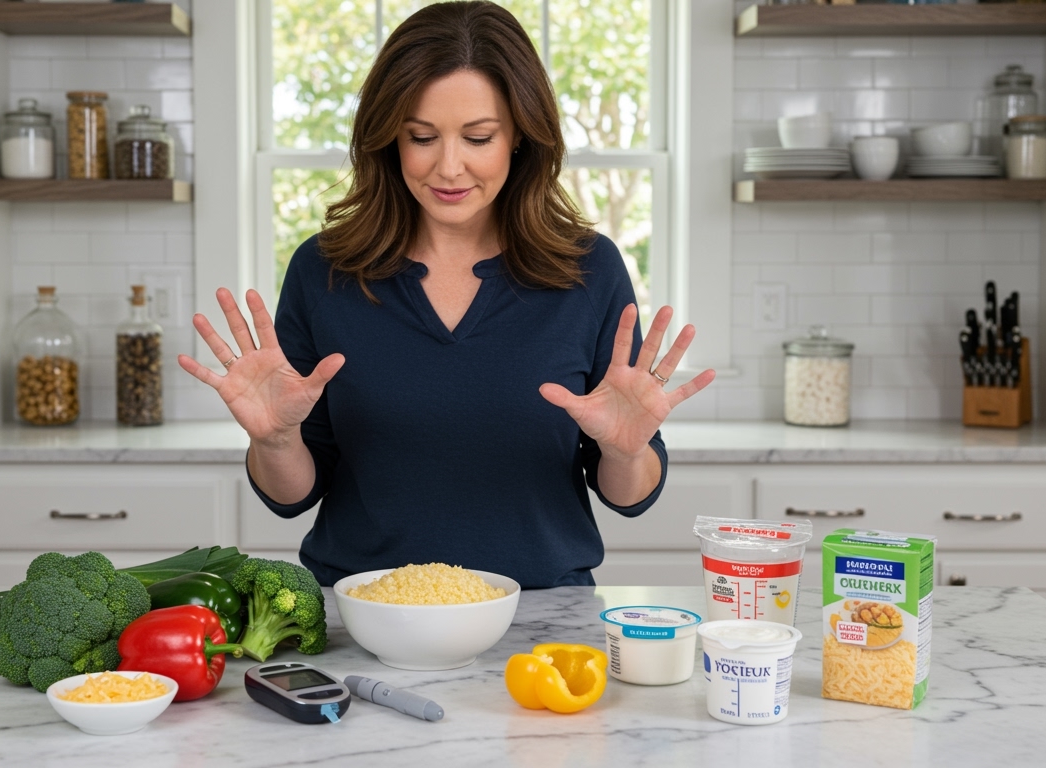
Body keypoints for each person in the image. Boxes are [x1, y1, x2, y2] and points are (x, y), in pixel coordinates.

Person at [179, 1, 714, 588]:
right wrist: (276, 440)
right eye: (422, 137)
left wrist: (626, 450)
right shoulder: (324, 269)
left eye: (478, 137)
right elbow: (293, 496)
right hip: (363, 617)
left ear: (519, 138)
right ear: (389, 140)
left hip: (538, 623)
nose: (449, 167)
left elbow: (628, 497)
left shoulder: (586, 269)